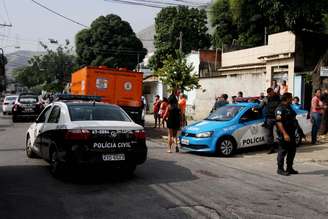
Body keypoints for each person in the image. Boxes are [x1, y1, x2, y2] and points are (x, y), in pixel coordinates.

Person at [275, 92, 299, 176]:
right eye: (291, 98)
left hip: (291, 133)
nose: (292, 99)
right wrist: (285, 134)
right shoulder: (280, 108)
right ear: (287, 98)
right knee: (282, 151)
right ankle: (280, 169)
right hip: (284, 134)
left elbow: (293, 118)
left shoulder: (289, 107)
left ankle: (289, 168)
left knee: (292, 151)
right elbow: (279, 122)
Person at [259, 88, 281, 154]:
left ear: (273, 92)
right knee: (269, 134)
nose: (269, 95)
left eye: (270, 93)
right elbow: (260, 107)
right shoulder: (266, 98)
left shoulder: (278, 97)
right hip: (269, 118)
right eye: (268, 94)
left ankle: (281, 147)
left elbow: (282, 106)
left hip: (277, 118)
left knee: (280, 133)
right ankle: (271, 148)